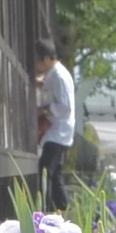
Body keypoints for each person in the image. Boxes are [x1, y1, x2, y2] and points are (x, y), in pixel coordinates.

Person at [32, 41, 80, 212]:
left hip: (58, 133)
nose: (36, 66)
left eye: (37, 61)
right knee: (55, 173)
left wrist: (44, 110)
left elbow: (65, 106)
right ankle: (63, 208)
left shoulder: (59, 76)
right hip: (57, 132)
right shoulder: (53, 74)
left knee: (45, 172)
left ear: (45, 59)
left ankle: (46, 211)